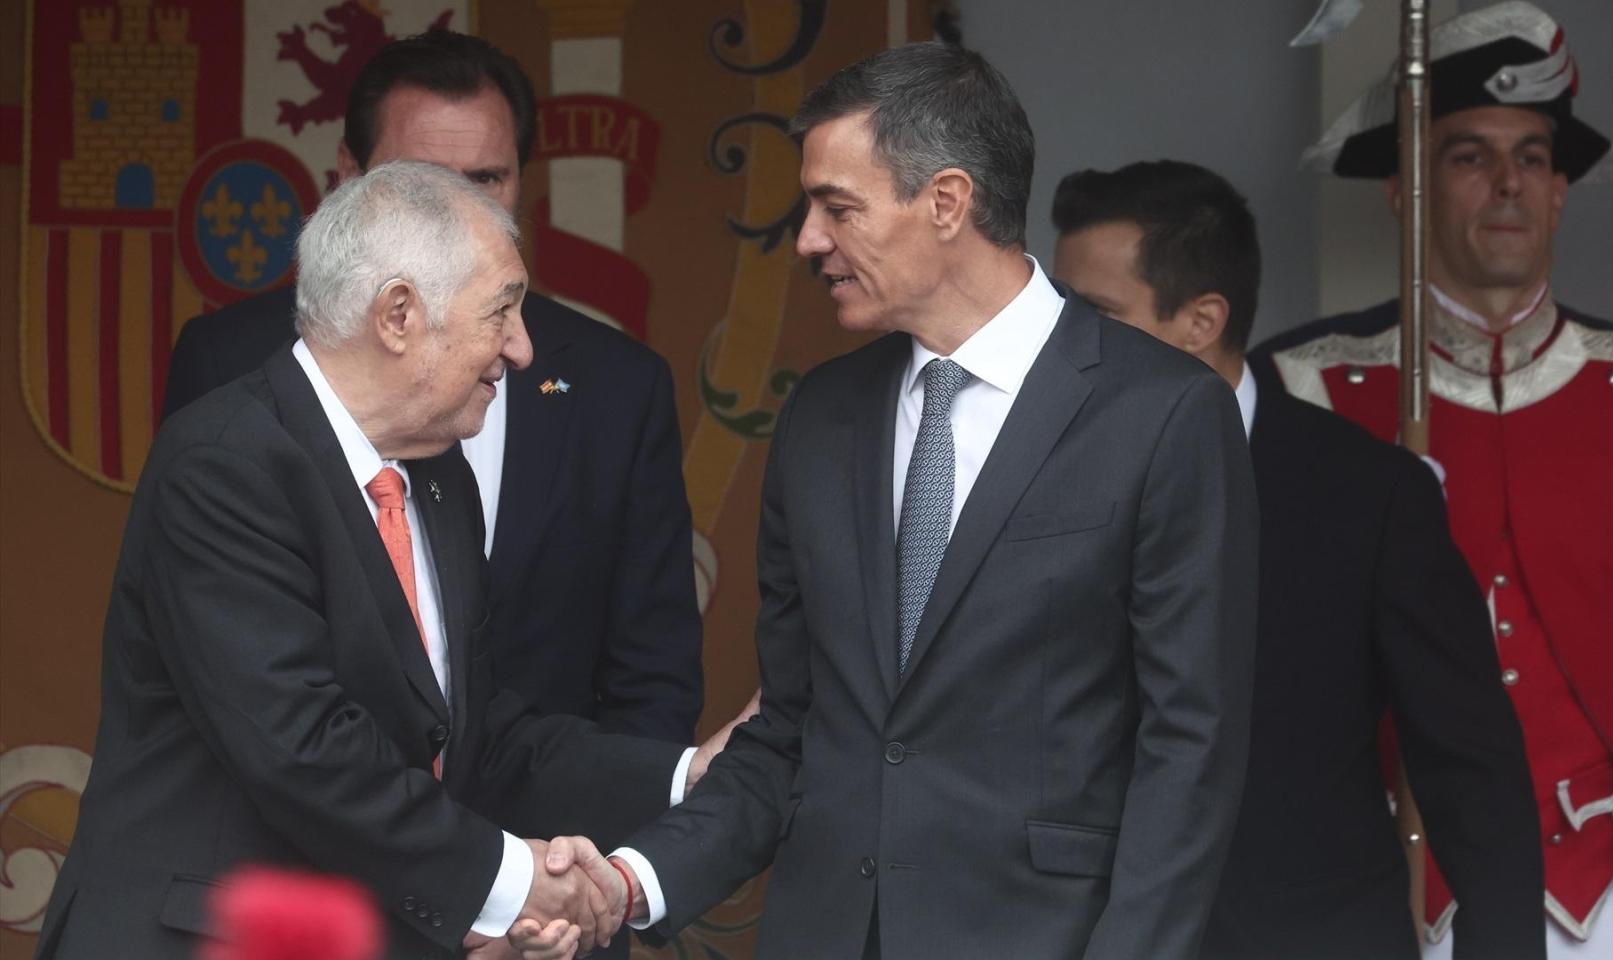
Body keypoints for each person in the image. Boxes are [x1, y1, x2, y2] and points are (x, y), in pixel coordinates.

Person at [523, 41, 1259, 960]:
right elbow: (790, 728)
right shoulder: (822, 415)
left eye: (839, 207)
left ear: (946, 202)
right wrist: (631, 882)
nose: (808, 241)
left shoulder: (1162, 413)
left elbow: (1190, 750)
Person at [33, 162, 689, 959]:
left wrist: (685, 776)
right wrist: (518, 879)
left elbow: (474, 734)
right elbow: (306, 749)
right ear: (399, 316)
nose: (521, 349)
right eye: (502, 311)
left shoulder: (438, 476)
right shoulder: (223, 464)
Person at [1251, 4, 1613, 957]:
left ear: (1560, 190)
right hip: (1382, 888)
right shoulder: (1303, 383)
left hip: (1608, 885)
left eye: (1532, 157)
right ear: (1403, 188)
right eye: (1468, 156)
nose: (1507, 185)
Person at [1052, 159, 1545, 959]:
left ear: (1201, 319)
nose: (1057, 343)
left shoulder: (1371, 495)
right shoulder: (1026, 480)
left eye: (1093, 312)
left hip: (1312, 937)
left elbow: (1469, 761)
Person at [161, 31, 704, 747]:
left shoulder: (617, 384)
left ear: (521, 181)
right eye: (420, 183)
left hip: (544, 834)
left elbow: (649, 680)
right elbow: (221, 674)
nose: (456, 214)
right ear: (348, 177)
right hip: (290, 837)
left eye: (485, 181)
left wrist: (611, 835)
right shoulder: (230, 366)